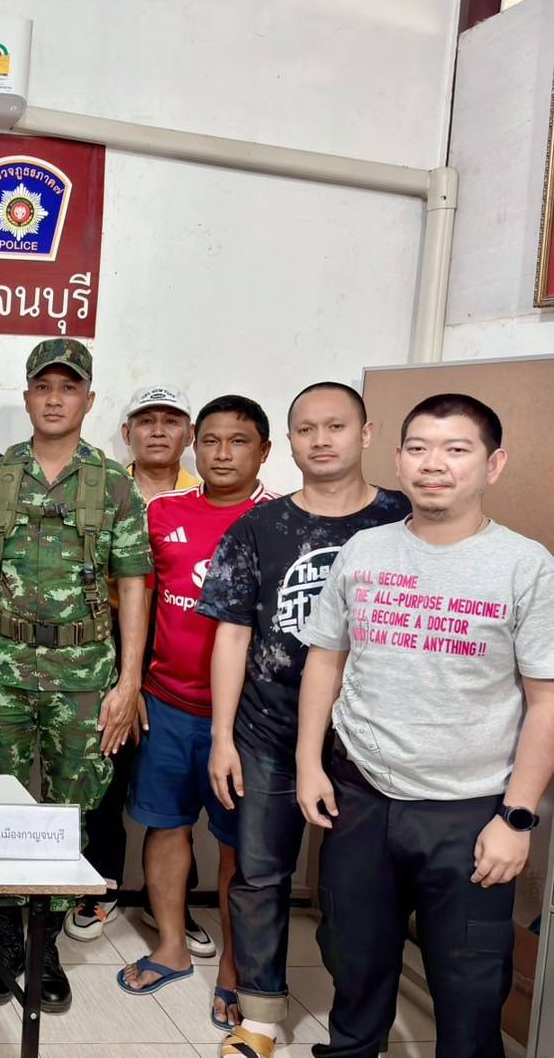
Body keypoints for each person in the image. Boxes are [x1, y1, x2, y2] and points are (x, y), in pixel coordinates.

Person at [295, 393, 554, 1058]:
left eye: (455, 449)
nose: (432, 464)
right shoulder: (365, 549)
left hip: (469, 812)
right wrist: (308, 764)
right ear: (398, 457)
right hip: (361, 797)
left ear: (493, 464)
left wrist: (517, 817)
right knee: (352, 966)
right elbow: (325, 659)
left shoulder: (525, 565)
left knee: (469, 993)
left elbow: (546, 701)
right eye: (418, 448)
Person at [198, 382, 408, 1058]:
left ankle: (358, 1026)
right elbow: (232, 634)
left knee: (358, 893)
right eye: (306, 429)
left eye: (335, 426)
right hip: (269, 729)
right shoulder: (257, 528)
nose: (320, 440)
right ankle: (260, 1016)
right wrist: (222, 737)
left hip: (369, 736)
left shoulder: (403, 519)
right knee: (259, 875)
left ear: (365, 434)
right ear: (288, 443)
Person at [0, 337, 153, 1013]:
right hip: (0, 670)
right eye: (43, 387)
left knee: (73, 811)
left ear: (88, 400)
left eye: (68, 388)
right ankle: (3, 940)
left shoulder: (115, 484)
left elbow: (134, 584)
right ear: (28, 395)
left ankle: (46, 944)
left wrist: (128, 682)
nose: (54, 399)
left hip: (83, 676)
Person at [118, 395, 275, 1031]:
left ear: (264, 451)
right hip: (167, 703)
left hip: (250, 717)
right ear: (193, 447)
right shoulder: (162, 513)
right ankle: (171, 946)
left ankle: (234, 969)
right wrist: (132, 683)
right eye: (210, 441)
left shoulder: (279, 521)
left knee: (241, 847)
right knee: (165, 826)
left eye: (238, 442)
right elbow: (137, 600)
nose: (222, 453)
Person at [68, 384, 216, 953]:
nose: (158, 430)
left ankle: (167, 902)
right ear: (126, 432)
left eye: (170, 420)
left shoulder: (208, 492)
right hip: (109, 637)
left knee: (174, 780)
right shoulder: (104, 487)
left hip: (186, 645)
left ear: (189, 434)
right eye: (146, 420)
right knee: (106, 765)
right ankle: (100, 886)